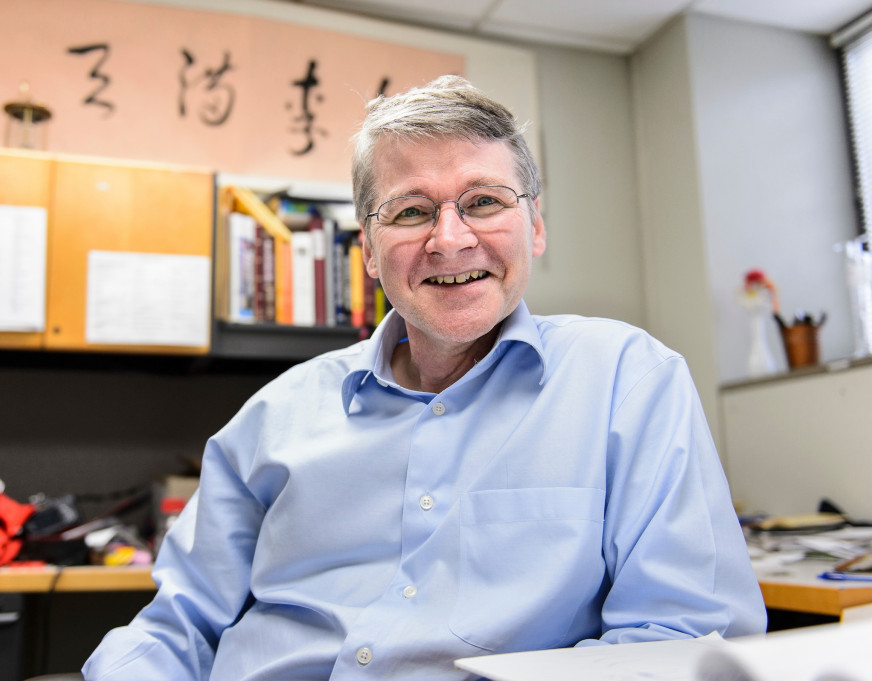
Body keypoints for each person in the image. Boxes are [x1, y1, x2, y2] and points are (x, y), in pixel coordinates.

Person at [83, 75, 766, 681]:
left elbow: (683, 639)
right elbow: (176, 626)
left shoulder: (629, 381)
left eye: (484, 201)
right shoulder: (274, 415)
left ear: (535, 226)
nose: (449, 239)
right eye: (411, 211)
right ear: (371, 252)